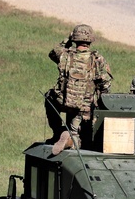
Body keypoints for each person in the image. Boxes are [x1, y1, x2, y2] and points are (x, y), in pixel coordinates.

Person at [45, 24, 112, 154]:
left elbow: (53, 52)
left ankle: (59, 132)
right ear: (90, 40)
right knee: (79, 136)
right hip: (84, 109)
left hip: (63, 103)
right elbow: (105, 84)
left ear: (75, 39)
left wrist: (68, 40)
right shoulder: (97, 59)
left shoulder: (64, 55)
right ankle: (72, 139)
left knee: (49, 96)